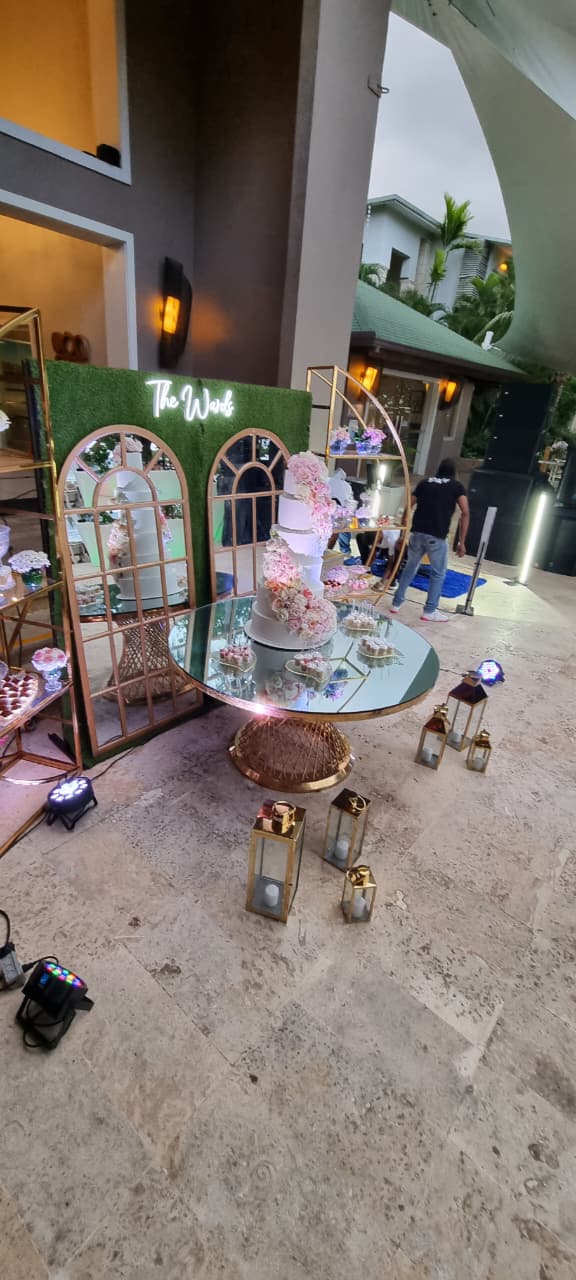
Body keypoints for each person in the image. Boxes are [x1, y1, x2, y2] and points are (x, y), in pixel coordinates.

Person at [390, 458, 469, 622]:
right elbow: (465, 512)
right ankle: (429, 610)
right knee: (438, 574)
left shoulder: (424, 483)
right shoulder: (456, 486)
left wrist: (403, 533)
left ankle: (396, 603)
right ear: (454, 472)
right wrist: (462, 541)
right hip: (436, 535)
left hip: (417, 533)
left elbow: (409, 505)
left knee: (410, 567)